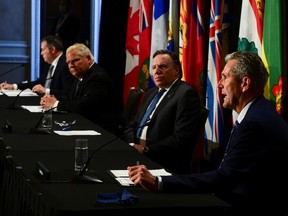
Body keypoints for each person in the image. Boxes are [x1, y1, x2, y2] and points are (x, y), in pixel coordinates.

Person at [127, 51, 288, 215]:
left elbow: (224, 179)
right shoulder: (259, 111)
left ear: (245, 83)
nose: (219, 84)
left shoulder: (254, 123)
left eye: (225, 77)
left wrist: (159, 182)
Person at [123, 49, 202, 175]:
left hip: (163, 162)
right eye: (154, 67)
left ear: (177, 71)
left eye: (162, 67)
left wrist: (146, 150)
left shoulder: (185, 94)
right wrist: (131, 144)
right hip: (138, 157)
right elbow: (134, 123)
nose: (156, 71)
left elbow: (181, 138)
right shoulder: (151, 93)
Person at [40, 43, 122, 135]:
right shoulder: (82, 75)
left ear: (88, 59)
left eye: (75, 60)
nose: (71, 65)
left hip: (103, 129)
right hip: (89, 123)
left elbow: (84, 106)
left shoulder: (97, 78)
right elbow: (71, 97)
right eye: (68, 62)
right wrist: (51, 99)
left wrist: (56, 104)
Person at [0, 35, 76, 96]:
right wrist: (13, 86)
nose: (41, 53)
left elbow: (68, 92)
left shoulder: (66, 65)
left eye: (43, 50)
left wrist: (46, 91)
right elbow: (39, 82)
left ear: (52, 49)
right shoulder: (49, 64)